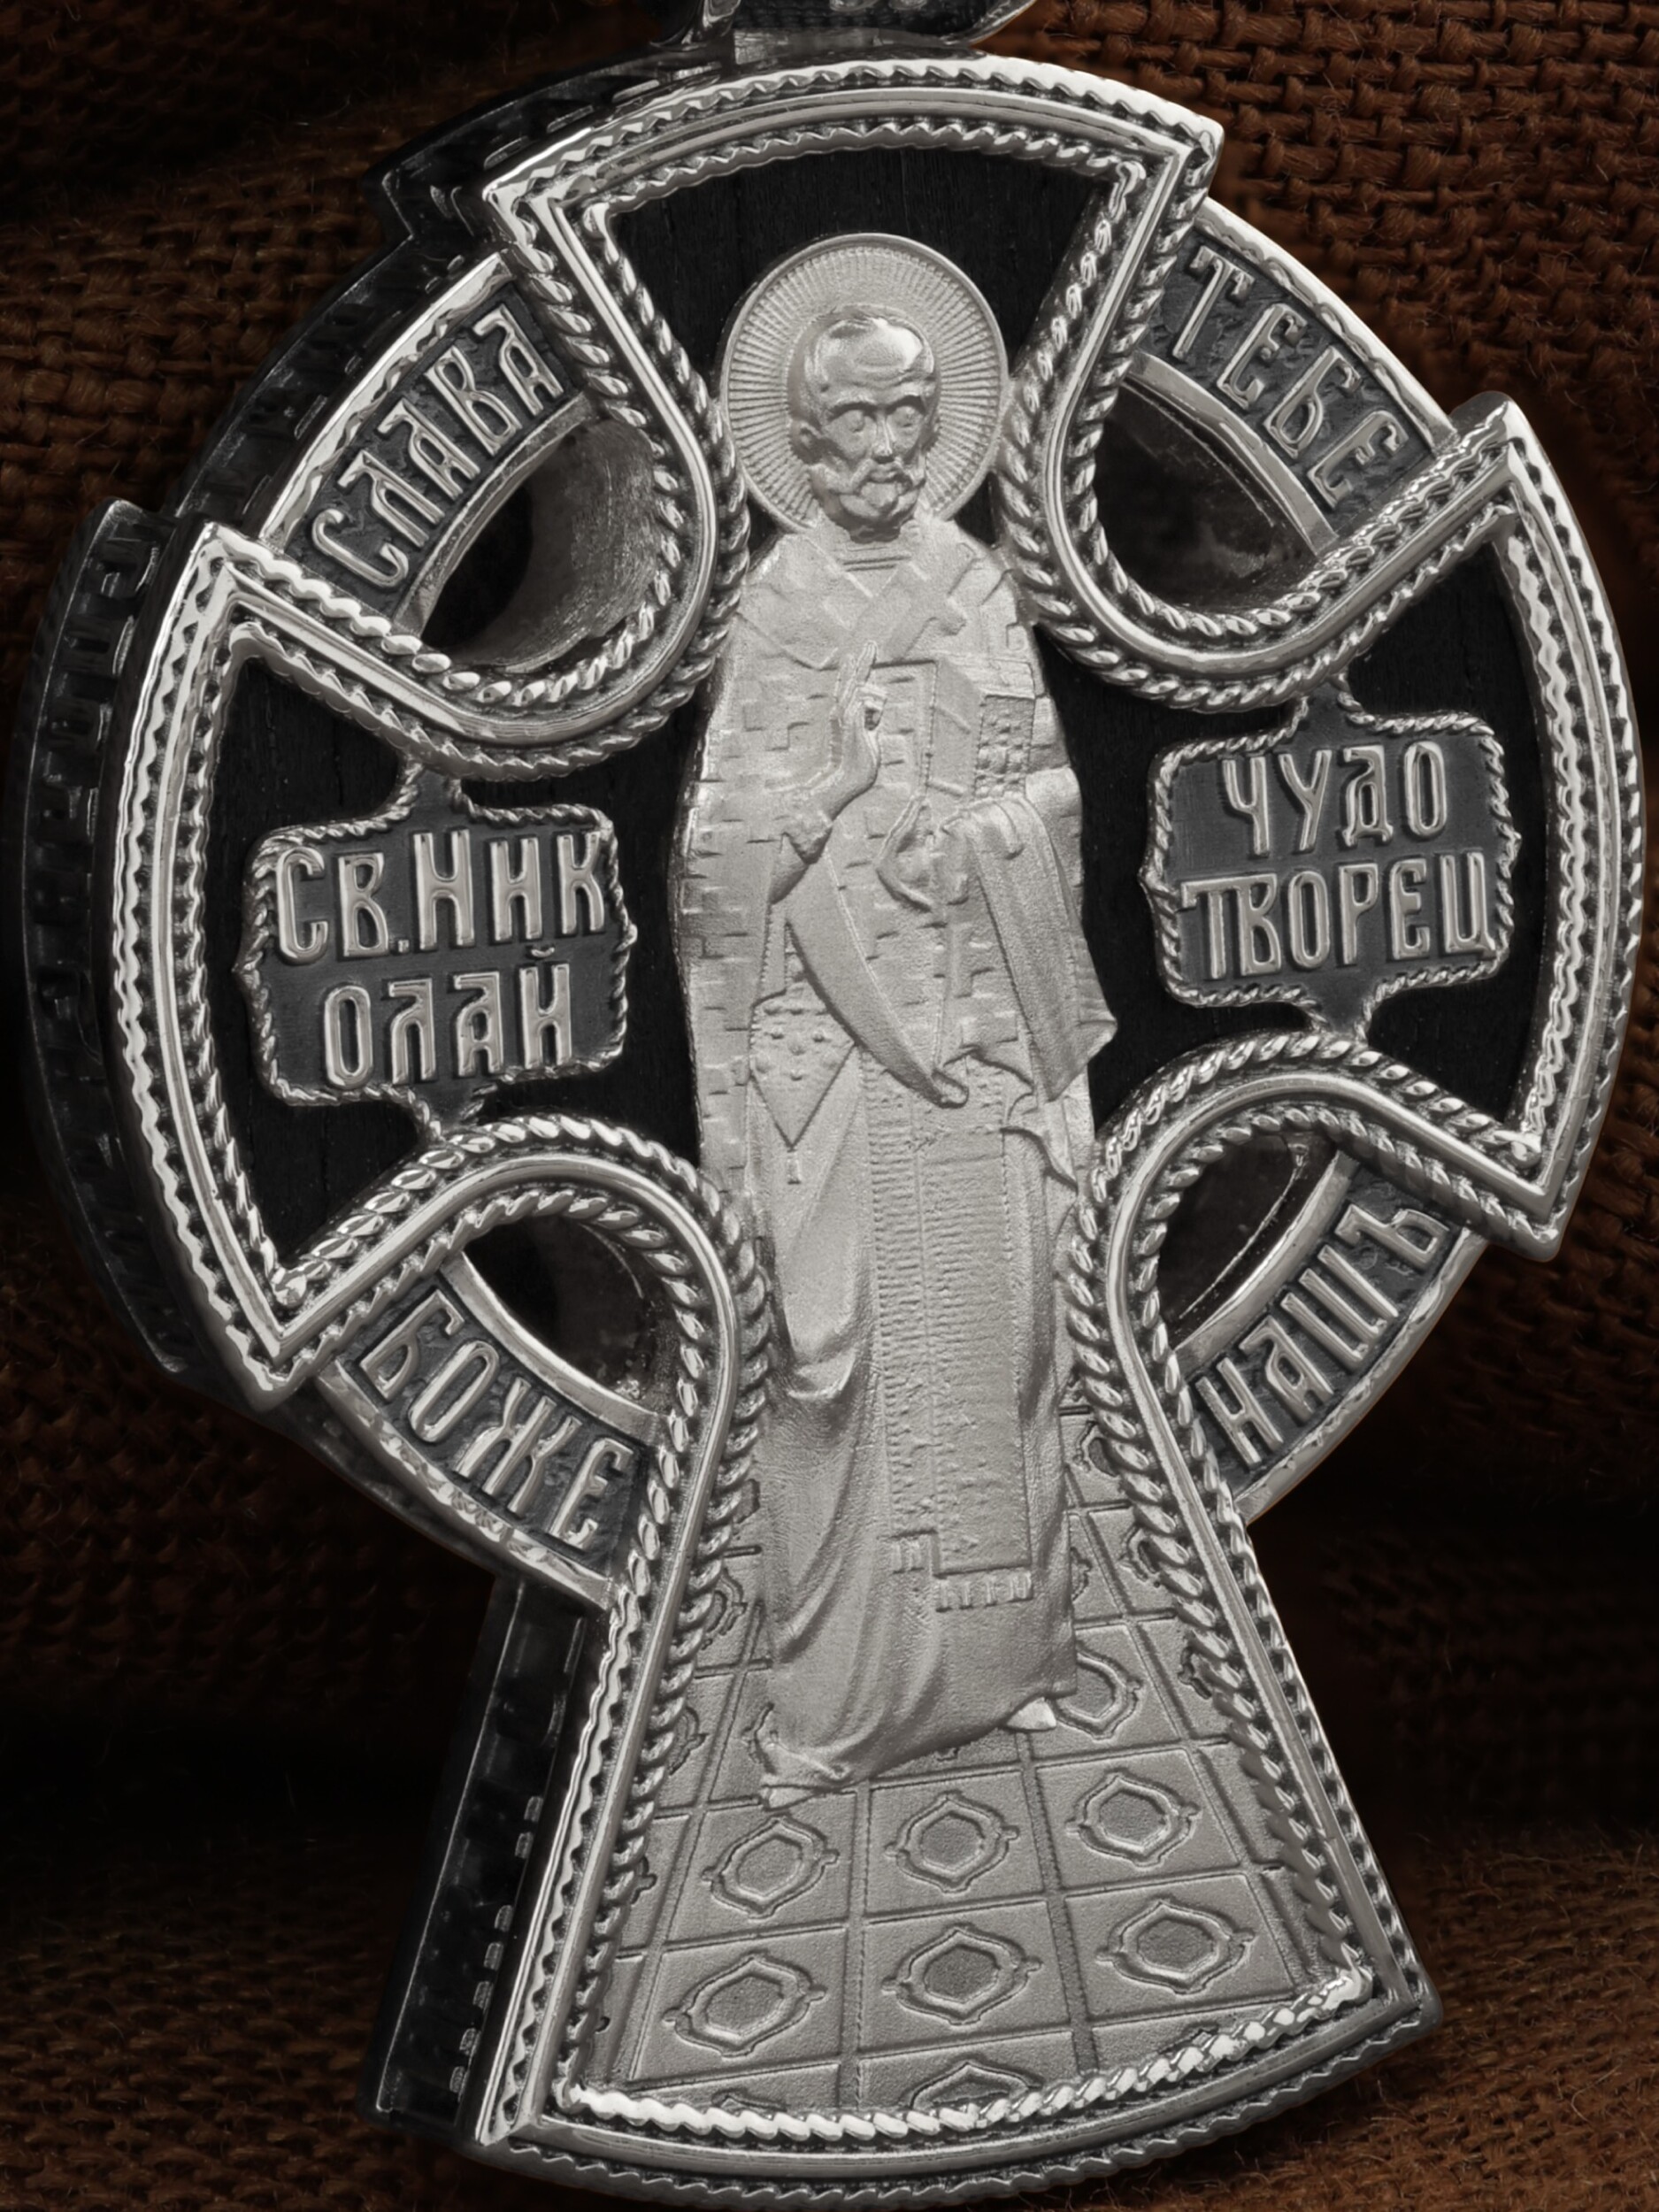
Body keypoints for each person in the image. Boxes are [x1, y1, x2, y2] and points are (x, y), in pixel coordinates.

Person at [674, 303, 1114, 1803]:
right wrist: (837, 804)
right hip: (832, 1058)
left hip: (974, 1027)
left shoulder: (974, 582)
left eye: (906, 417)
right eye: (852, 422)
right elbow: (722, 856)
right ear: (802, 444)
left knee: (1002, 1352)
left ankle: (1009, 1670)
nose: (882, 449)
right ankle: (830, 1710)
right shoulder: (778, 605)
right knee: (836, 1364)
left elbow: (1052, 790)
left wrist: (978, 834)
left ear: (937, 427)